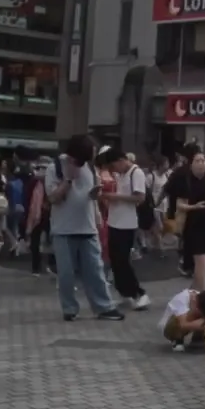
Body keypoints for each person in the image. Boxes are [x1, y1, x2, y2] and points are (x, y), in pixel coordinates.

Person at [48, 135, 123, 322]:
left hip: (88, 228)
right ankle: (70, 308)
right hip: (64, 230)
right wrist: (68, 180)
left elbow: (92, 197)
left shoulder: (90, 167)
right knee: (66, 274)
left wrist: (95, 197)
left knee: (96, 271)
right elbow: (53, 198)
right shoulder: (55, 167)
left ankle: (104, 307)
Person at [99, 147, 151, 311]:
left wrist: (115, 197)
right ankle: (125, 293)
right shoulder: (120, 174)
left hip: (127, 224)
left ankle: (139, 293)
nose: (114, 170)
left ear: (121, 161)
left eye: (114, 166)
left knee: (123, 261)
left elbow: (139, 198)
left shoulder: (137, 173)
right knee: (115, 261)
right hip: (114, 221)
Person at [173, 152, 205, 290]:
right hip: (193, 224)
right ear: (191, 164)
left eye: (203, 160)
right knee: (199, 262)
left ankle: (192, 292)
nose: (201, 163)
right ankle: (203, 295)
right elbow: (179, 204)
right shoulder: (185, 182)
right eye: (197, 160)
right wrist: (194, 207)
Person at [162, 288, 205, 352]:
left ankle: (198, 338)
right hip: (169, 326)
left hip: (193, 316)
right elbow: (183, 325)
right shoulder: (181, 299)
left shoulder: (203, 299)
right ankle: (177, 340)